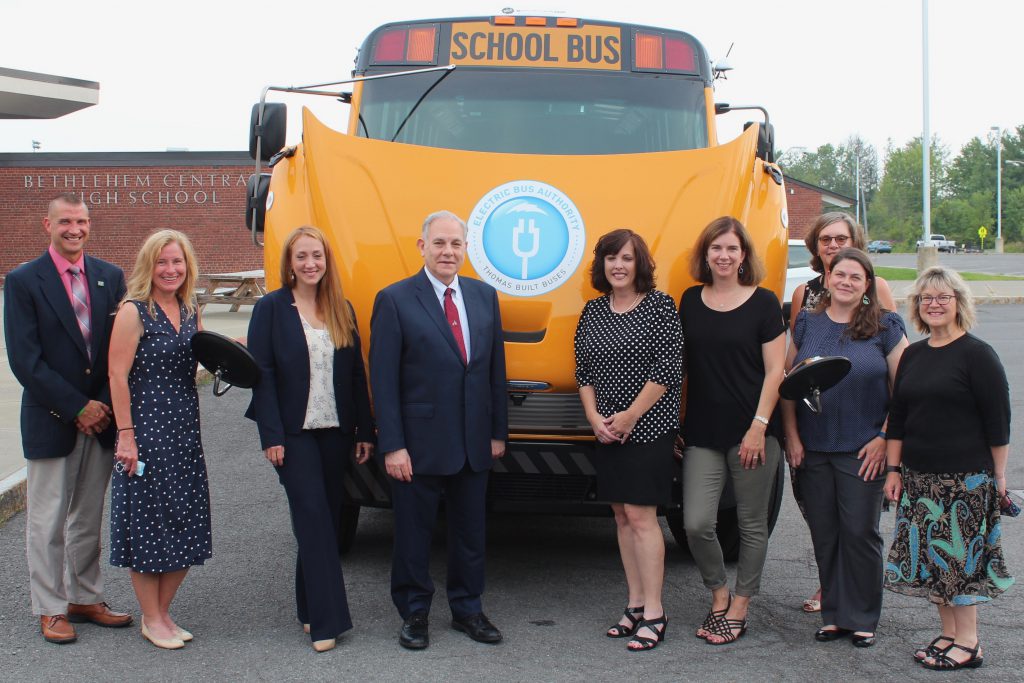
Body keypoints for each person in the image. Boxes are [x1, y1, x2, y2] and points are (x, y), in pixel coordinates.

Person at [369, 210, 508, 650]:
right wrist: (392, 445)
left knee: (470, 534)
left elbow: (494, 372)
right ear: (422, 246)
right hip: (417, 444)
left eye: (456, 244)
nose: (448, 251)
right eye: (440, 243)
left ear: (465, 250)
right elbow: (384, 380)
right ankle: (414, 612)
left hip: (472, 442)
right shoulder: (394, 299)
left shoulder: (484, 297)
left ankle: (468, 610)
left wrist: (497, 432)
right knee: (413, 535)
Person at [3, 193, 132, 644]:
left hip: (100, 420)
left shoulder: (109, 277)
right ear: (47, 225)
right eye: (65, 222)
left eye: (81, 221)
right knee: (47, 520)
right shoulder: (23, 282)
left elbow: (118, 351)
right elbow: (25, 360)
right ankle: (50, 607)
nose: (74, 229)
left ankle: (85, 596)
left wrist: (99, 406)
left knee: (88, 516)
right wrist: (78, 406)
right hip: (51, 419)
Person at [246, 226, 374, 653]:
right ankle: (326, 621)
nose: (310, 264)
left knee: (321, 520)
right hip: (293, 435)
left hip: (335, 435)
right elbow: (260, 376)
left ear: (326, 260)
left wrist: (365, 430)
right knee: (316, 523)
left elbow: (356, 374)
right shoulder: (270, 309)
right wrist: (271, 434)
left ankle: (306, 608)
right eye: (301, 256)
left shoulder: (341, 308)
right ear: (289, 263)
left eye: (316, 255)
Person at [883, 266, 1014, 671]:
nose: (934, 304)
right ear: (918, 306)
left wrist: (999, 477)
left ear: (959, 303)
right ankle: (949, 634)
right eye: (926, 298)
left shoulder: (977, 355)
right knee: (931, 561)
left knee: (959, 563)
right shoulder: (914, 355)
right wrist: (893, 470)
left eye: (943, 297)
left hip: (966, 479)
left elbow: (999, 423)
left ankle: (970, 642)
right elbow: (899, 417)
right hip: (919, 479)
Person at [780, 248, 908, 648]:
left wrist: (885, 437)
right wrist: (793, 438)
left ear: (867, 285)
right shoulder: (806, 323)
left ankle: (863, 616)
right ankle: (835, 615)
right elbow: (789, 384)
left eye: (856, 277)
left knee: (859, 532)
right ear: (829, 277)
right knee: (826, 533)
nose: (847, 282)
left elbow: (905, 388)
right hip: (814, 448)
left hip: (863, 448)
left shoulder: (885, 326)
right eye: (841, 275)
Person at [678, 216, 786, 645]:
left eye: (732, 249)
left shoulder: (763, 303)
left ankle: (740, 605)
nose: (723, 256)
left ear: (744, 256)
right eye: (716, 248)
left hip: (754, 432)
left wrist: (759, 427)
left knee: (750, 524)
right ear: (705, 254)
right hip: (702, 431)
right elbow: (678, 368)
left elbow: (776, 370)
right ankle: (719, 591)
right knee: (696, 524)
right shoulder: (688, 300)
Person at [574, 229, 683, 652]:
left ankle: (655, 611)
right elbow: (583, 371)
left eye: (626, 258)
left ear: (640, 264)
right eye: (610, 258)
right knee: (620, 516)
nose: (618, 265)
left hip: (648, 430)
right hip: (606, 431)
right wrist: (593, 417)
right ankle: (634, 604)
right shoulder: (593, 311)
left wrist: (630, 417)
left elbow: (669, 368)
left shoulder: (660, 307)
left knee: (642, 517)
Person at [106, 230, 211, 650]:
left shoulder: (189, 309)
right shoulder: (134, 311)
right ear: (148, 267)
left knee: (186, 518)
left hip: (185, 432)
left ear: (188, 266)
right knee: (148, 523)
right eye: (162, 263)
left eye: (177, 262)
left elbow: (207, 354)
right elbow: (116, 375)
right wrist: (126, 436)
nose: (170, 270)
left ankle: (162, 613)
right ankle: (152, 617)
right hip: (146, 432)